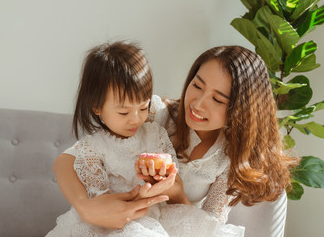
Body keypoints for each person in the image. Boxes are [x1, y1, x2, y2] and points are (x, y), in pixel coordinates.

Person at [53, 45, 295, 235]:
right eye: (197, 86)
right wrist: (87, 208)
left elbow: (206, 228)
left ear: (242, 110)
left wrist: (176, 192)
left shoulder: (229, 160)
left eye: (218, 100)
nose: (198, 104)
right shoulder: (155, 114)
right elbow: (68, 159)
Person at [46, 41, 179, 236]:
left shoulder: (156, 133)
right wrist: (138, 197)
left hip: (151, 219)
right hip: (107, 223)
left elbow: (172, 175)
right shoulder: (93, 147)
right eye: (124, 113)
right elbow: (100, 202)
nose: (136, 119)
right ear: (97, 107)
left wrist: (161, 182)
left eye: (143, 108)